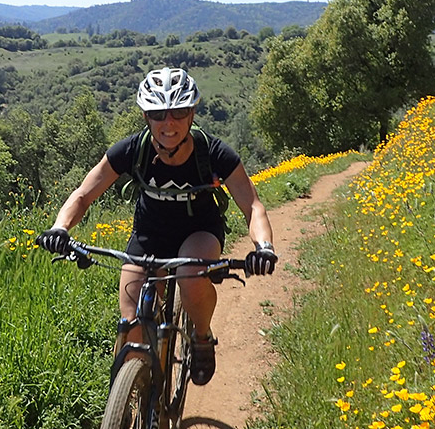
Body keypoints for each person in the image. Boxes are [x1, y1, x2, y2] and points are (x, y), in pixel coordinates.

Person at [37, 67, 278, 386]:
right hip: (148, 238)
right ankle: (134, 398)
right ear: (145, 116)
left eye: (178, 111)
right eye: (158, 113)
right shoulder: (132, 151)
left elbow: (252, 205)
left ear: (192, 113)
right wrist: (60, 228)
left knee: (193, 278)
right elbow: (83, 195)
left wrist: (264, 247)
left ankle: (202, 337)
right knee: (131, 324)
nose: (169, 122)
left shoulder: (214, 154)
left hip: (199, 234)